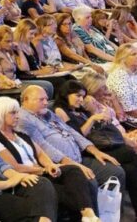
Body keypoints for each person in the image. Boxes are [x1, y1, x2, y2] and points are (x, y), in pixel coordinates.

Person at [0, 97, 100, 222]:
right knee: (74, 192)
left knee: (73, 170)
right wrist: (43, 170)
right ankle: (88, 215)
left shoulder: (20, 134)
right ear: (0, 115)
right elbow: (14, 167)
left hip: (42, 173)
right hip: (26, 179)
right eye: (13, 113)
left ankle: (88, 214)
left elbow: (41, 153)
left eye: (17, 112)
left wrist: (50, 165)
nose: (17, 116)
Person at [16, 85, 128, 206]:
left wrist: (95, 151)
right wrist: (73, 165)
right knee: (89, 181)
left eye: (46, 99)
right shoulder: (23, 119)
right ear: (26, 100)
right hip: (62, 165)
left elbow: (71, 131)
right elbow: (42, 147)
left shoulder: (47, 112)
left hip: (78, 156)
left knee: (116, 172)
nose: (45, 103)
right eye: (41, 99)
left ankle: (112, 216)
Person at [52, 79, 137, 211]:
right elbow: (76, 136)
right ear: (66, 94)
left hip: (99, 144)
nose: (81, 99)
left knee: (131, 168)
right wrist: (92, 119)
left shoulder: (78, 110)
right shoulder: (60, 111)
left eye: (83, 96)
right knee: (129, 153)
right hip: (86, 150)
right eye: (77, 95)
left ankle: (123, 212)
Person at [107, 43, 137, 121]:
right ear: (123, 59)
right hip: (131, 118)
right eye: (134, 54)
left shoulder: (134, 71)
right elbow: (130, 110)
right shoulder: (119, 76)